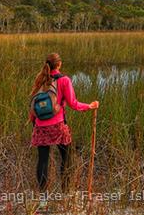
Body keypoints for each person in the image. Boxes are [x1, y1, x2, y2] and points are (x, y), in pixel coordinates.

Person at [29, 52, 98, 194]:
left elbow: (32, 106)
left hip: (40, 126)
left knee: (42, 161)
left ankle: (43, 197)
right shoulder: (64, 80)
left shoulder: (40, 79)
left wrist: (34, 123)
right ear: (59, 64)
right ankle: (65, 192)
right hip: (58, 126)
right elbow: (73, 104)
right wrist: (89, 106)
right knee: (67, 157)